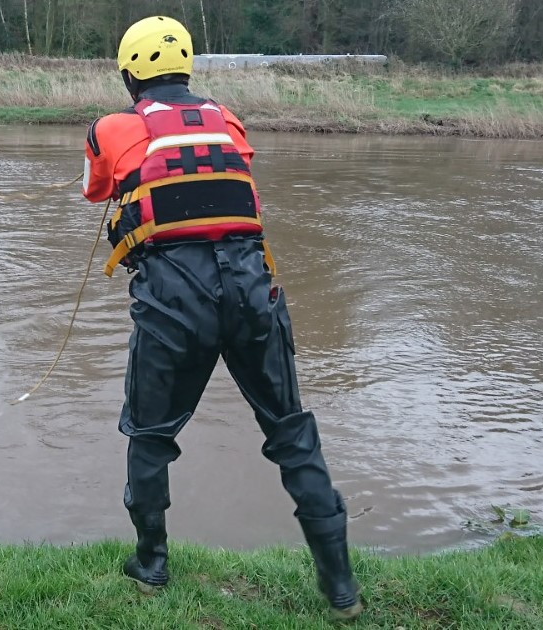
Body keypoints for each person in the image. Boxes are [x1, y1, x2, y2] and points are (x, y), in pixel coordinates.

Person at [81, 15, 363, 620]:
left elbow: (95, 188)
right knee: (290, 430)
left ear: (130, 75)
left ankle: (151, 563)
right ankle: (340, 586)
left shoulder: (111, 126)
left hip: (173, 300)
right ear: (187, 69)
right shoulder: (227, 118)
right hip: (250, 289)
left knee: (150, 433)